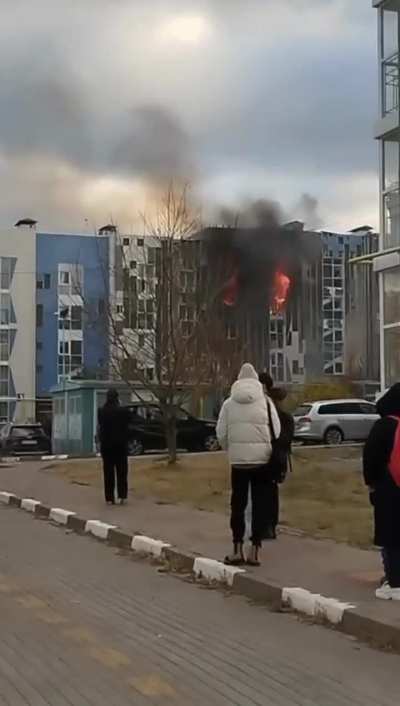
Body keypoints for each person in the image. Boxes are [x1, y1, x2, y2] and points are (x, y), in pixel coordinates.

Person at [217, 363, 281, 566]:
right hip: (262, 461)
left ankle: (237, 549)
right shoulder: (267, 402)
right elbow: (276, 431)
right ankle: (255, 551)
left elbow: (221, 433)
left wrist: (232, 449)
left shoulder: (228, 404)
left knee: (238, 504)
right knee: (260, 505)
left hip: (238, 463)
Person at [363, 384, 400, 600]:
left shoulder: (383, 426)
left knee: (391, 536)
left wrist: (372, 484)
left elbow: (371, 459)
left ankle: (394, 581)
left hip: (389, 489)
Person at [97, 389, 130, 506]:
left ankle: (109, 498)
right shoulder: (123, 411)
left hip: (107, 446)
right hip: (121, 446)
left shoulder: (101, 411)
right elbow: (128, 426)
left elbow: (101, 427)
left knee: (108, 472)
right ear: (117, 398)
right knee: (122, 471)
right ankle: (122, 496)